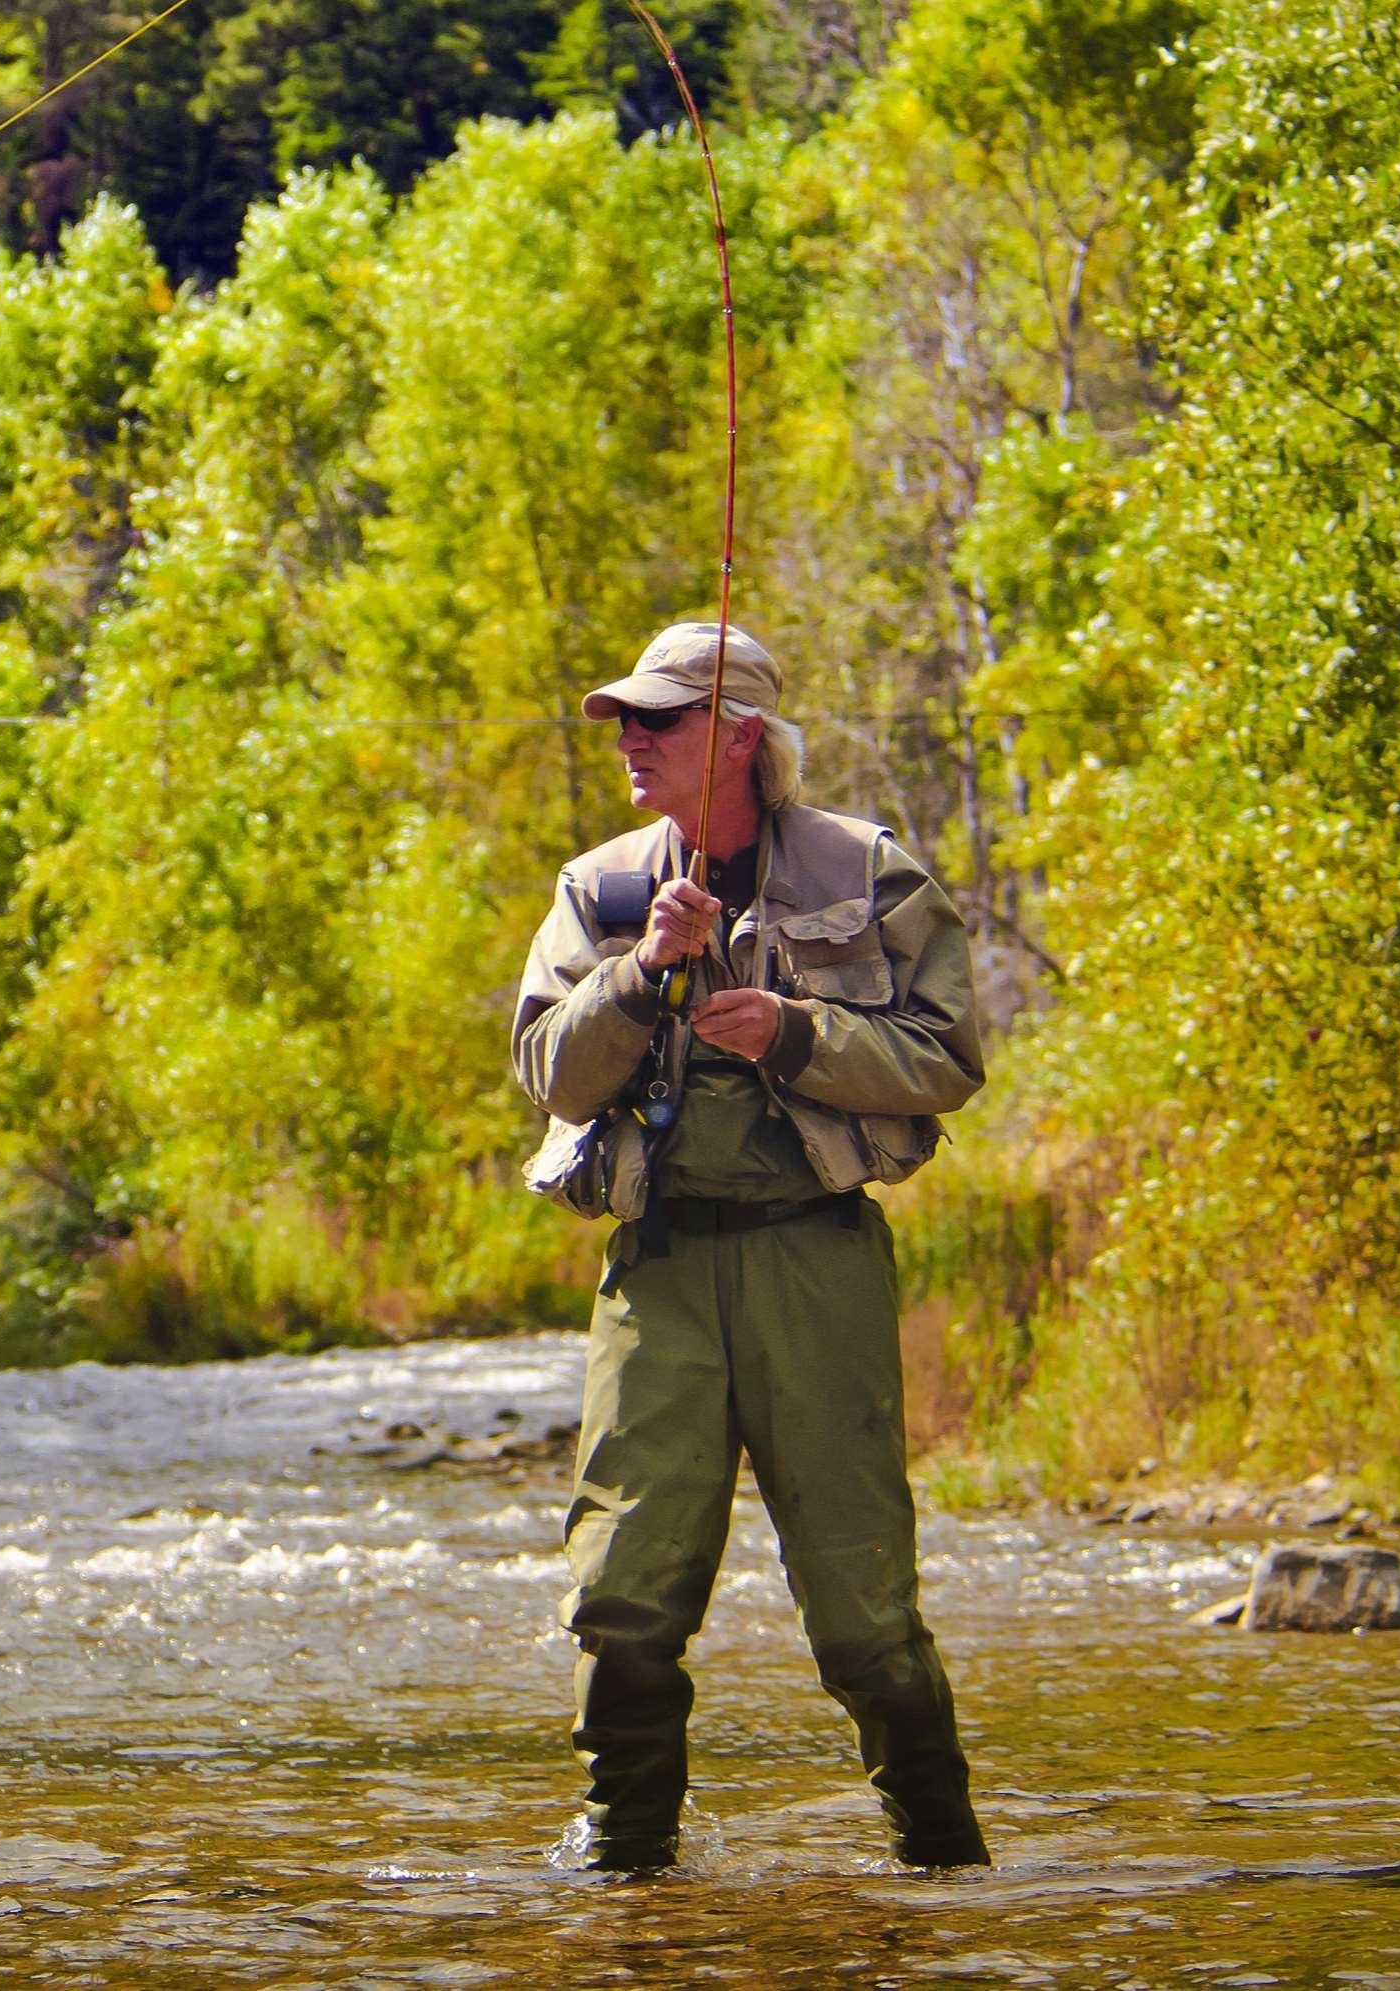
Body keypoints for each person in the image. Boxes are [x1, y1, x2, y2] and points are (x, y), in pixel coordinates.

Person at [510, 620, 991, 1873]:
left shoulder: (868, 871)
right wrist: (639, 972)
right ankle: (624, 1869)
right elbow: (552, 1080)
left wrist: (791, 1030)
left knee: (863, 1614)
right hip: (658, 1271)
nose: (629, 740)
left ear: (738, 735)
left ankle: (941, 1864)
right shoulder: (600, 889)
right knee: (620, 1601)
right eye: (622, 718)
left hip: (812, 1261)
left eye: (657, 719)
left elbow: (948, 1062)